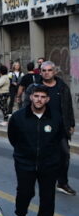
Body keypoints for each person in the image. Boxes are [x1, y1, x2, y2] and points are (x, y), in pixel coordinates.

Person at [7, 85, 64, 216]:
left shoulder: (56, 117)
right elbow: (13, 138)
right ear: (31, 97)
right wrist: (23, 152)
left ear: (47, 99)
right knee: (25, 192)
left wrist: (52, 157)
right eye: (36, 96)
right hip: (25, 162)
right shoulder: (18, 117)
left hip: (49, 164)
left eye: (42, 97)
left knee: (48, 196)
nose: (39, 99)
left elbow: (59, 139)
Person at [39, 61, 76, 196]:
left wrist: (71, 124)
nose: (47, 72)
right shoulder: (36, 87)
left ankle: (62, 182)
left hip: (60, 128)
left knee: (64, 154)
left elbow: (68, 106)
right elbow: (27, 107)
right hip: (41, 128)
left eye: (49, 70)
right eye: (44, 70)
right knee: (44, 156)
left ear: (54, 72)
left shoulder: (62, 87)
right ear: (41, 72)